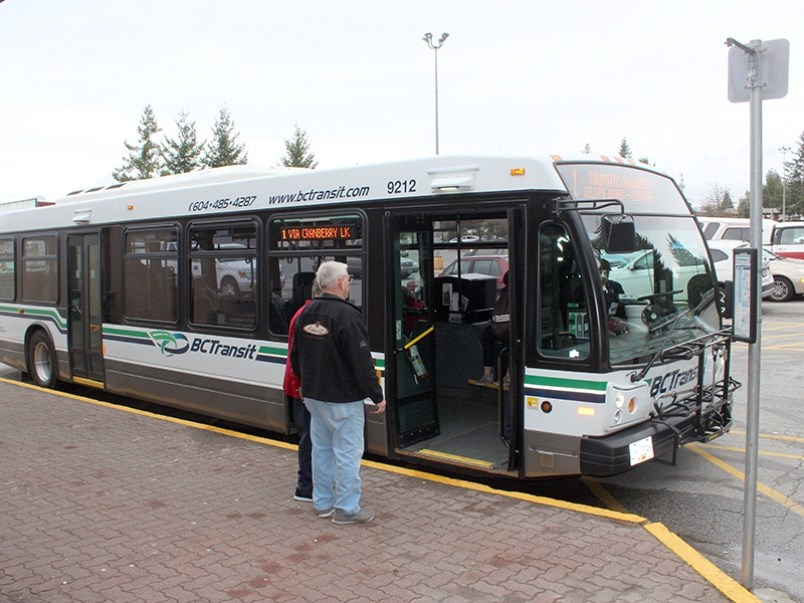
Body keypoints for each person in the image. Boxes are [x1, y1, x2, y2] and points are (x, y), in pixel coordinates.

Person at [290, 261, 386, 525]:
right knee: (347, 453)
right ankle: (346, 509)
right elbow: (361, 362)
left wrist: (304, 384)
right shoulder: (347, 316)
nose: (349, 284)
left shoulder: (306, 313)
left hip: (313, 396)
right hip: (343, 399)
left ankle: (322, 503)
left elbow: (295, 356)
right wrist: (377, 395)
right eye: (348, 280)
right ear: (342, 282)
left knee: (321, 449)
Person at [283, 279, 322, 503]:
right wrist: (303, 386)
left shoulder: (304, 312)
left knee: (312, 436)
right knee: (309, 436)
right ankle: (305, 486)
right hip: (302, 388)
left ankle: (312, 482)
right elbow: (300, 357)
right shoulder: (308, 316)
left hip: (302, 386)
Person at [477, 271, 510, 385]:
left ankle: (488, 373)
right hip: (508, 328)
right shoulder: (510, 293)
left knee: (489, 333)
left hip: (501, 328)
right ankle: (507, 376)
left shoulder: (501, 293)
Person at [599, 259, 628, 335]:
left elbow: (624, 307)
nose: (604, 276)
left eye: (606, 272)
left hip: (616, 321)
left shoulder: (616, 286)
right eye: (601, 272)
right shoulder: (586, 289)